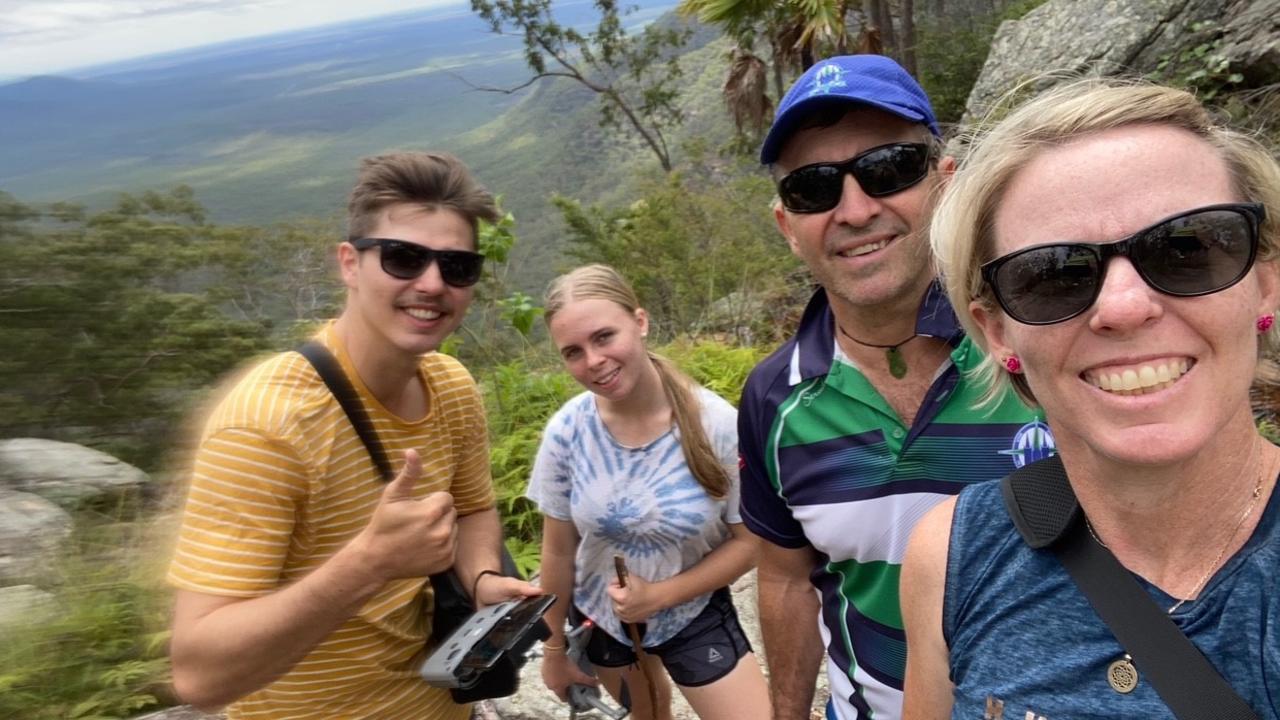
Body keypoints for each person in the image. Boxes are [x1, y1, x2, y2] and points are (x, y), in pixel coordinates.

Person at [901, 78, 1280, 719]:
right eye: (1054, 275)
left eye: (1186, 248)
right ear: (997, 332)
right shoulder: (950, 555)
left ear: (1264, 287)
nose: (1125, 307)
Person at [167, 151, 541, 719]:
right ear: (349, 263)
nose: (433, 283)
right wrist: (369, 563)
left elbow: (472, 510)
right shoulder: (266, 426)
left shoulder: (452, 386)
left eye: (457, 267)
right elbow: (200, 675)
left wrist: (483, 577)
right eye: (403, 258)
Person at [738, 54, 1053, 720]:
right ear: (787, 226)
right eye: (813, 188)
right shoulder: (773, 398)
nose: (854, 210)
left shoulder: (1041, 344)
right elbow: (787, 579)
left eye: (887, 169)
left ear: (945, 184)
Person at [528, 264, 769, 720]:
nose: (593, 361)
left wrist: (661, 596)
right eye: (572, 352)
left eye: (604, 337)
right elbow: (558, 552)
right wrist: (554, 649)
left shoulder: (717, 427)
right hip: (605, 618)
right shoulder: (568, 432)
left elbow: (750, 542)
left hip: (692, 610)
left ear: (639, 322)